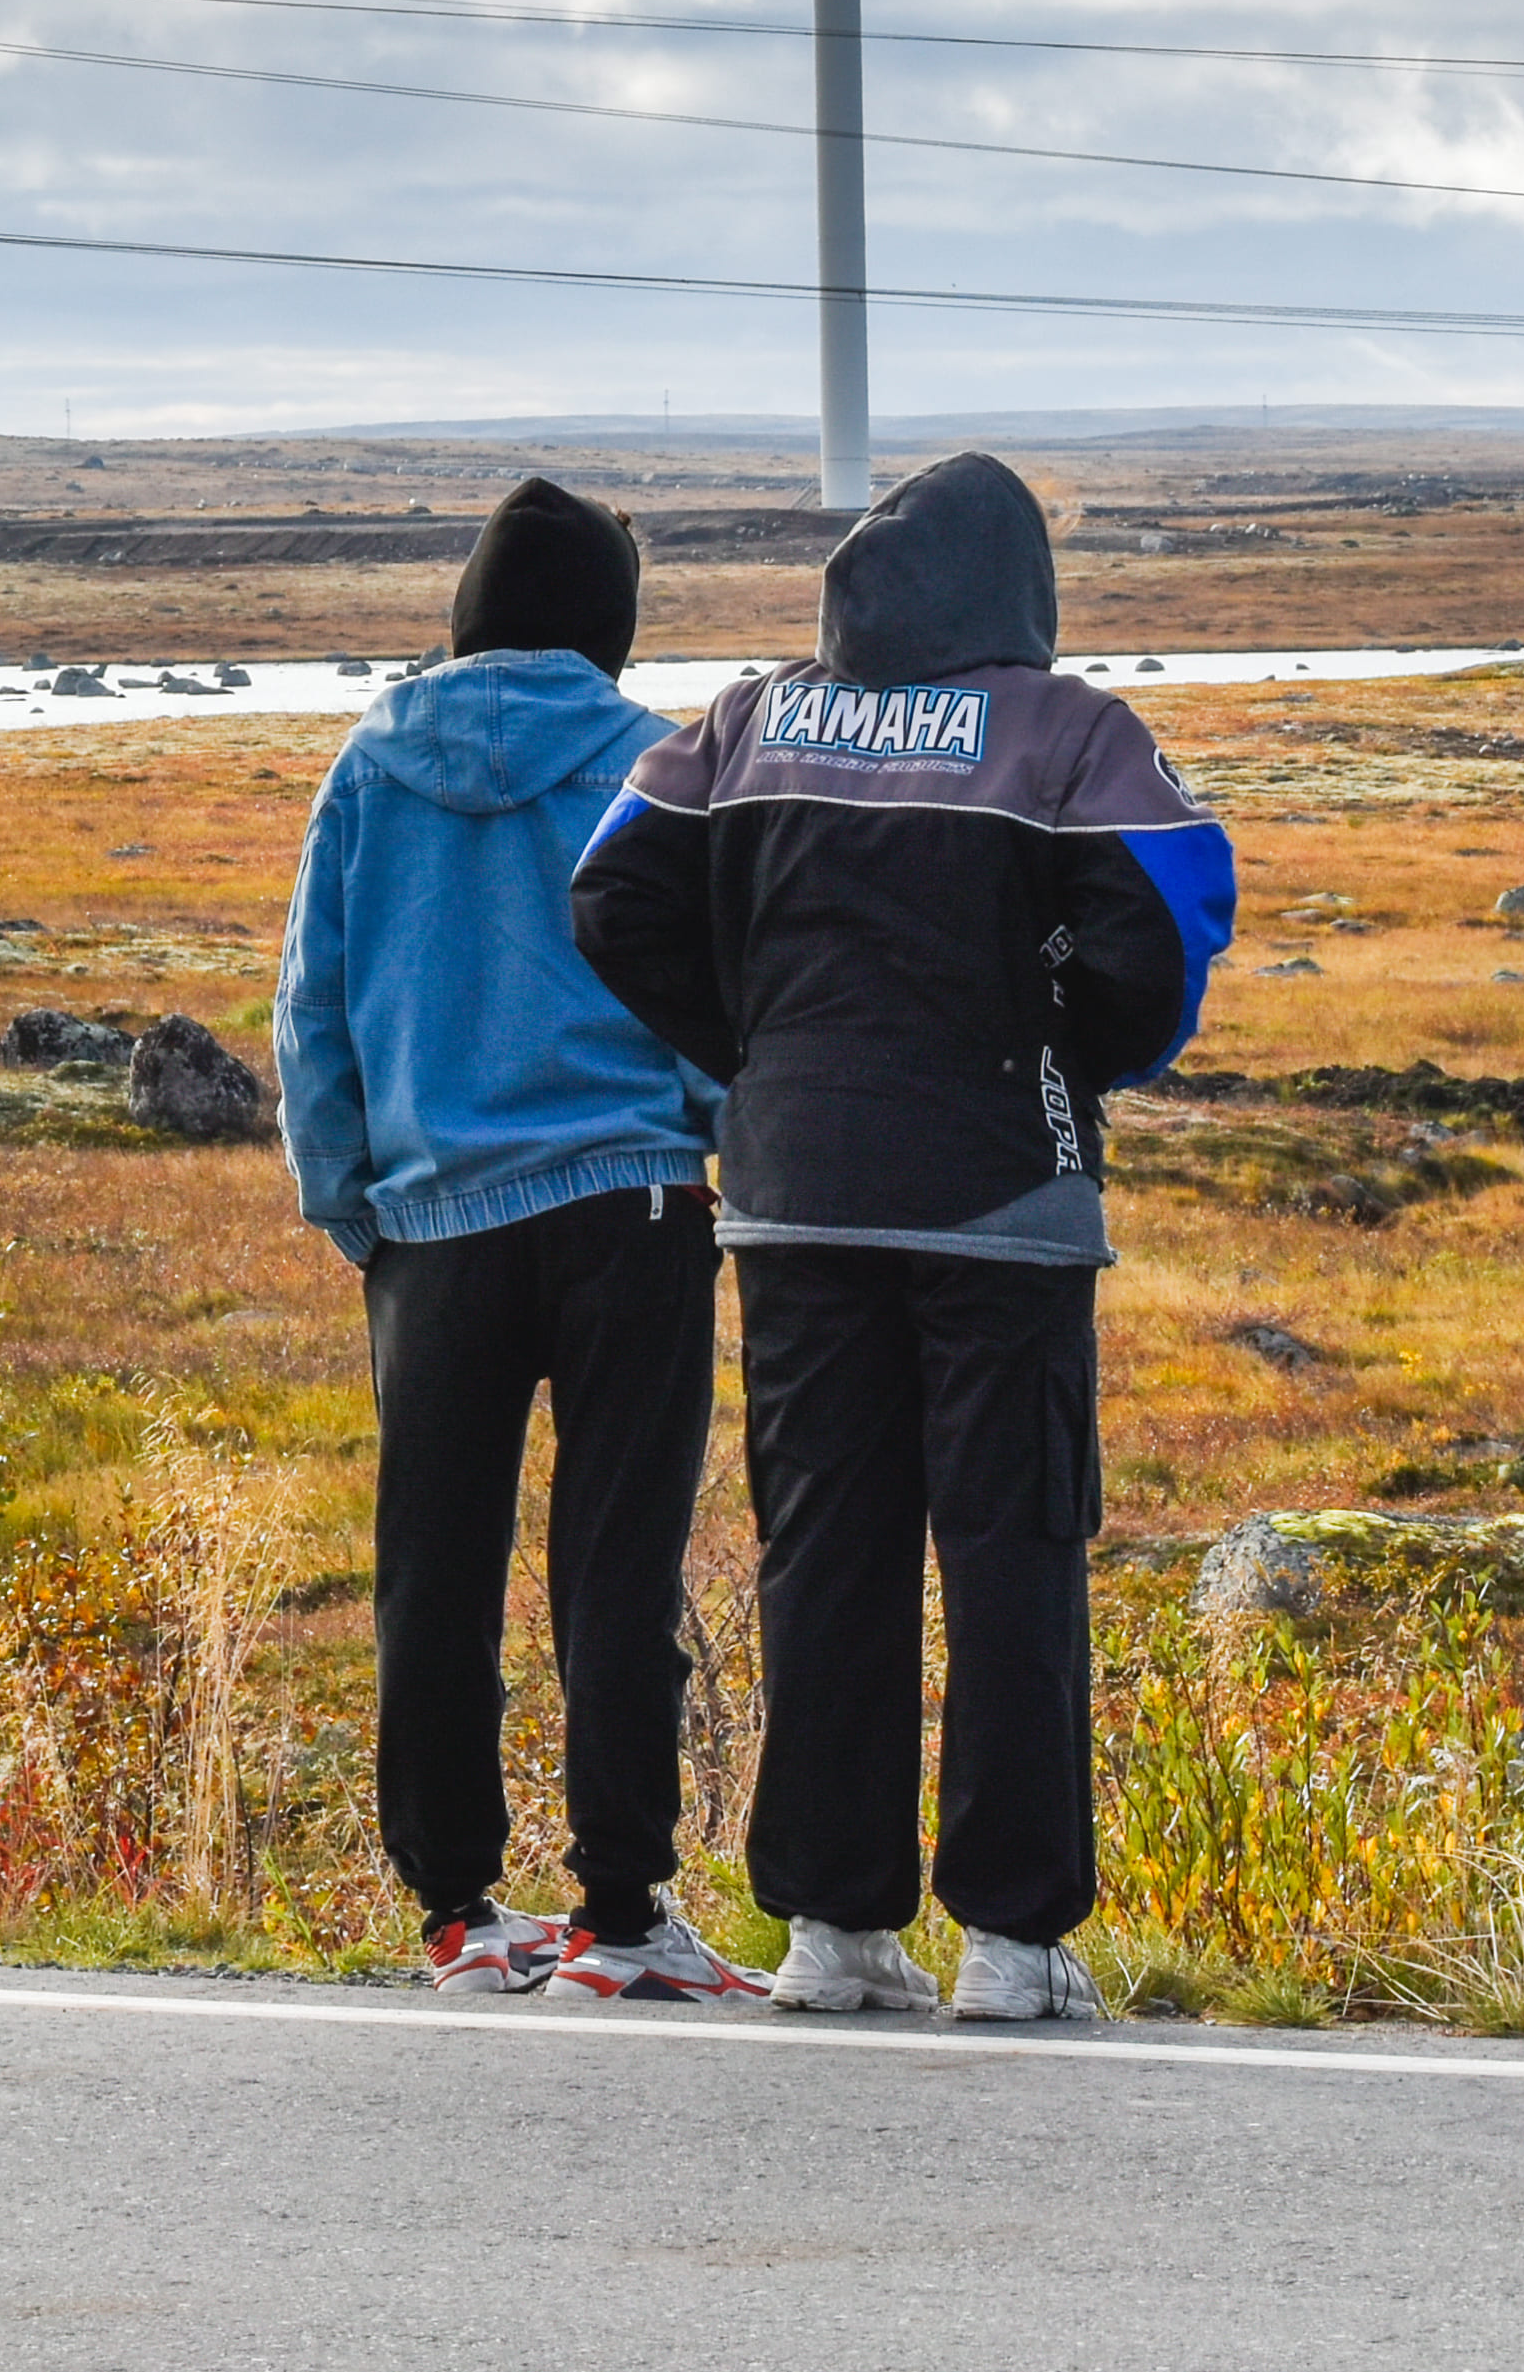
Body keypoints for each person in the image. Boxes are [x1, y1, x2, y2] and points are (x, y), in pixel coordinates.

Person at [569, 450, 1234, 2022]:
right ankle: (1010, 1943)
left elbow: (610, 894)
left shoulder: (739, 720)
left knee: (825, 1548)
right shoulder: (1070, 732)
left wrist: (754, 1044)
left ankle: (831, 1928)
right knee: (1011, 1547)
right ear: (1018, 589)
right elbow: (1168, 918)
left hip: (792, 1182)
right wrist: (1067, 1040)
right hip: (1001, 1188)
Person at [272, 477, 756, 2002]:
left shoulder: (368, 760)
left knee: (435, 1565)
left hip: (430, 1226)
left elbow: (313, 1000)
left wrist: (349, 1196)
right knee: (615, 1567)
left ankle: (456, 1910)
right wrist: (698, 1126)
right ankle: (621, 1913)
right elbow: (708, 983)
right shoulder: (650, 760)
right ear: (607, 618)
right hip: (628, 1201)